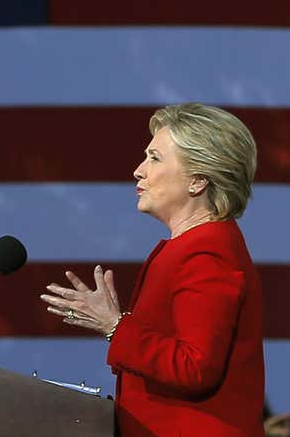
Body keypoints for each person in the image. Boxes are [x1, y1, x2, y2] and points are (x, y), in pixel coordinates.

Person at [40, 103, 265, 436]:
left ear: (198, 180)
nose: (138, 170)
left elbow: (195, 366)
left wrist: (114, 326)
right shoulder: (195, 246)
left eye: (155, 158)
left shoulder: (207, 252)